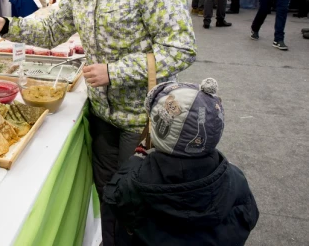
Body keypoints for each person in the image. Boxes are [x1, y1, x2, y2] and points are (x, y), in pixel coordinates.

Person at [0, 0, 196, 246]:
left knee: (136, 203)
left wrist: (115, 72)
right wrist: (6, 25)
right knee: (108, 196)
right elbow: (50, 32)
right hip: (100, 114)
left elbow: (181, 48)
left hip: (139, 120)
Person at [104, 79, 260, 246]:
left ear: (158, 129)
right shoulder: (236, 179)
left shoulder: (131, 181)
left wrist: (137, 157)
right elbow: (248, 216)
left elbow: (113, 215)